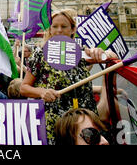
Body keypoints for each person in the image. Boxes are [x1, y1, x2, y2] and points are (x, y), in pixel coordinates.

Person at [20, 9, 115, 144]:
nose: (59, 30)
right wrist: (42, 92)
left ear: (72, 29)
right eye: (55, 26)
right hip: (56, 125)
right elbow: (24, 88)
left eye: (64, 26)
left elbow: (113, 58)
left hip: (85, 125)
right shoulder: (40, 55)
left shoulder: (81, 53)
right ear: (50, 30)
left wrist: (102, 53)